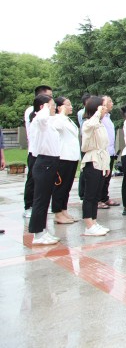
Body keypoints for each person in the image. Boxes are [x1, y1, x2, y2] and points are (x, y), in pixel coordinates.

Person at [28, 93, 62, 245]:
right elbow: (41, 118)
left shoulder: (47, 122)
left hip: (50, 162)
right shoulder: (39, 120)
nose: (54, 108)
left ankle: (42, 230)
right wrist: (45, 108)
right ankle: (38, 234)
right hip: (44, 163)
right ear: (43, 107)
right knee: (40, 200)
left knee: (45, 200)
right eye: (52, 105)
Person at [80, 96, 111, 236]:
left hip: (101, 160)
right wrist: (98, 112)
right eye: (102, 106)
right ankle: (88, 225)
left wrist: (107, 165)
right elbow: (90, 125)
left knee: (96, 194)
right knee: (90, 195)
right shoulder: (88, 123)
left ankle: (93, 221)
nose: (105, 109)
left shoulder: (99, 123)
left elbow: (104, 145)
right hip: (92, 161)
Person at [23, 85, 53, 219]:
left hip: (46, 151)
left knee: (44, 181)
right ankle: (28, 206)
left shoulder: (47, 112)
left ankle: (40, 205)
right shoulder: (32, 111)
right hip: (35, 151)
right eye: (49, 96)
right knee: (32, 179)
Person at [51, 97, 80, 225]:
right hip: (63, 157)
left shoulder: (68, 120)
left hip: (72, 157)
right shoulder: (57, 119)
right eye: (67, 105)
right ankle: (57, 213)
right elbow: (57, 127)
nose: (71, 107)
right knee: (60, 186)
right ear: (60, 107)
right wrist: (61, 113)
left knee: (67, 186)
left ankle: (64, 210)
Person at [98, 96, 120, 209]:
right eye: (109, 101)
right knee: (101, 178)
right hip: (103, 152)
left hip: (110, 152)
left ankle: (104, 197)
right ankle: (98, 199)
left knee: (107, 177)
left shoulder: (108, 117)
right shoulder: (99, 118)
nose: (112, 103)